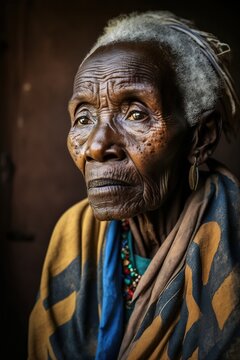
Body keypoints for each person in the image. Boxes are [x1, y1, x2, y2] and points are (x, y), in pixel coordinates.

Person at [28, 11, 240, 359]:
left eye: (136, 113)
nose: (97, 147)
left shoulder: (231, 240)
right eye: (84, 118)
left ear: (201, 138)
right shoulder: (74, 232)